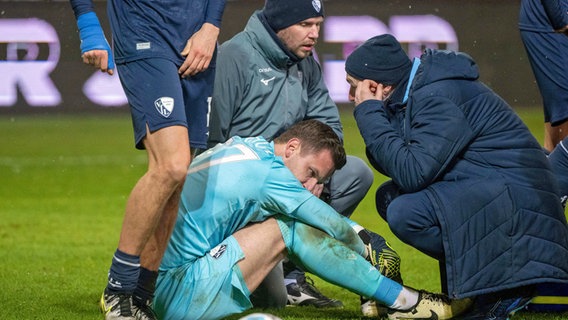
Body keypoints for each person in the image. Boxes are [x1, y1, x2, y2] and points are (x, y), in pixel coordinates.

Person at [344, 34, 568, 320]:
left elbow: (412, 173)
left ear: (377, 86)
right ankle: (480, 288)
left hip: (520, 209)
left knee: (405, 210)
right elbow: (403, 165)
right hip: (499, 194)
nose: (352, 97)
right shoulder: (421, 91)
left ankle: (505, 287)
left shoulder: (438, 96)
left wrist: (369, 113)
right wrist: (380, 116)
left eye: (354, 87)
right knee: (390, 197)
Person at [154, 119, 472, 320]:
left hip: (154, 282)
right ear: (291, 147)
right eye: (311, 174)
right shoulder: (268, 175)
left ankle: (384, 297)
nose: (311, 188)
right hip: (179, 294)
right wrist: (367, 246)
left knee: (280, 249)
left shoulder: (249, 148)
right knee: (288, 227)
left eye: (319, 182)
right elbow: (332, 225)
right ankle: (405, 302)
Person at [208, 0, 376, 309]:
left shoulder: (306, 63)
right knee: (269, 302)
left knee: (354, 173)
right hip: (245, 190)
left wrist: (316, 174)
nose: (314, 34)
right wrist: (274, 178)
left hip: (295, 178)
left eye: (318, 26)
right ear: (281, 23)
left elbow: (329, 128)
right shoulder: (235, 56)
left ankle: (291, 275)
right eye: (305, 24)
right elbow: (211, 142)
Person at [69, 0, 226, 319]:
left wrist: (212, 25)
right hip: (143, 31)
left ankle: (141, 295)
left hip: (197, 41)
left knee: (177, 181)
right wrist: (88, 23)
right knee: (171, 165)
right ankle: (118, 289)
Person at [519, 0, 568, 152]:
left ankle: (550, 169)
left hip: (555, 22)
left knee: (558, 110)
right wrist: (561, 19)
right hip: (548, 23)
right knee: (564, 104)